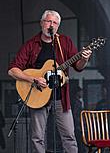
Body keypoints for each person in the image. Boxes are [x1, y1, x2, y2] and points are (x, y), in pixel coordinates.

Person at [8, 10, 92, 153]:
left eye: (54, 22)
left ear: (58, 26)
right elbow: (12, 70)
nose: (51, 25)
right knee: (37, 137)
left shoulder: (64, 42)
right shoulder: (31, 44)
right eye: (48, 21)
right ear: (41, 23)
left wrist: (84, 59)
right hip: (38, 96)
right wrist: (33, 79)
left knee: (69, 136)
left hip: (61, 97)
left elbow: (78, 67)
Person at [72, 86, 86, 153]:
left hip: (79, 125)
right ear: (77, 93)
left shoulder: (78, 101)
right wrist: (79, 124)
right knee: (79, 141)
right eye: (81, 92)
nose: (82, 93)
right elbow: (75, 114)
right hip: (77, 125)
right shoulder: (76, 102)